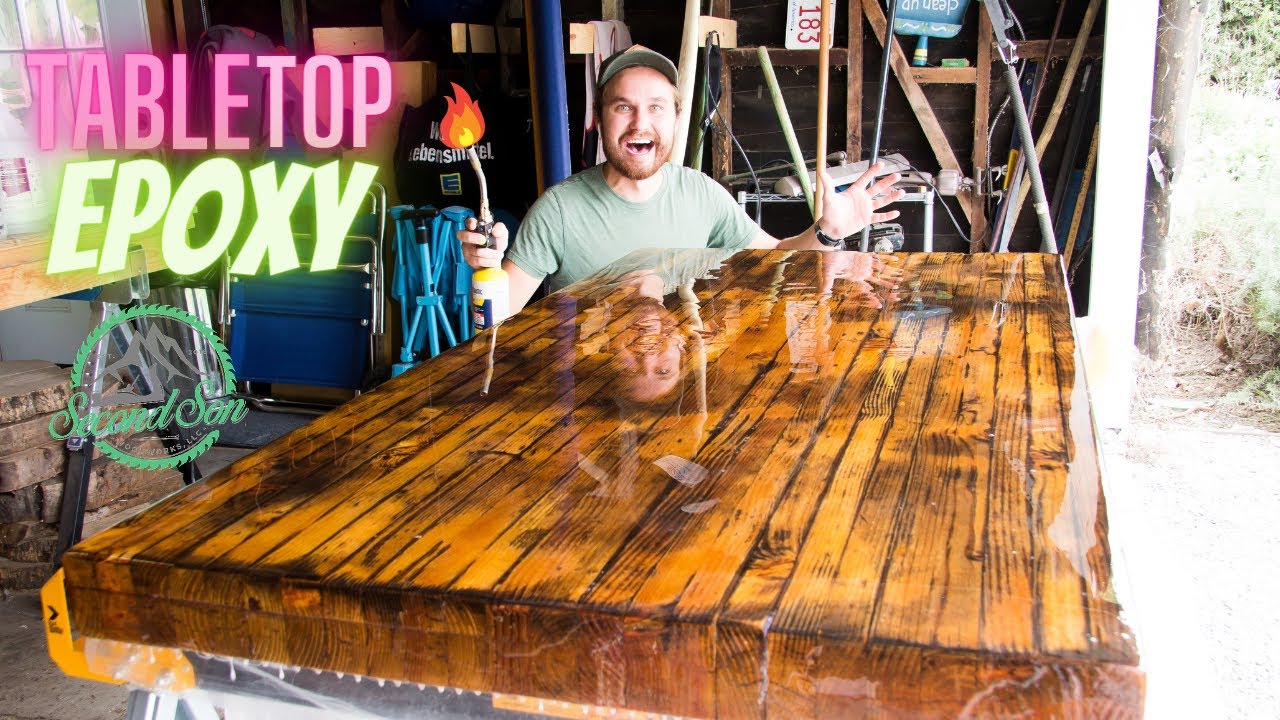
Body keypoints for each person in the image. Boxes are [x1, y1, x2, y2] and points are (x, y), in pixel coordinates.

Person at [457, 44, 905, 313]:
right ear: (598, 119)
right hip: (587, 407)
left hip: (685, 394)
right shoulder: (558, 210)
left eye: (655, 107)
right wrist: (487, 272)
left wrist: (827, 233)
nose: (639, 124)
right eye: (623, 107)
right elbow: (497, 321)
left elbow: (781, 266)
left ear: (675, 118)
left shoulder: (702, 195)